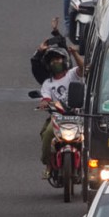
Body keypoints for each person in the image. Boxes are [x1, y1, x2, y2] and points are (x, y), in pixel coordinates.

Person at [37, 44, 86, 175]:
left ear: (64, 61)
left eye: (58, 59)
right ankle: (48, 165)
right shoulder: (47, 83)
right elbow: (46, 99)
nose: (55, 62)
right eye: (52, 60)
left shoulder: (72, 74)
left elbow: (83, 68)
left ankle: (89, 165)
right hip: (57, 118)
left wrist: (75, 53)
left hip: (78, 117)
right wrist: (44, 102)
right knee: (46, 134)